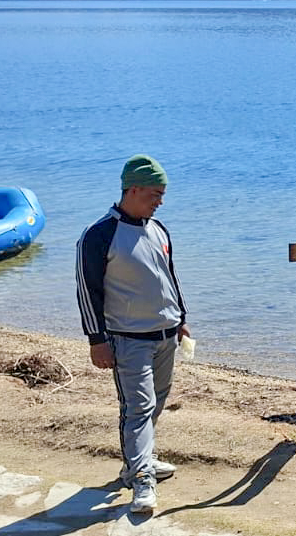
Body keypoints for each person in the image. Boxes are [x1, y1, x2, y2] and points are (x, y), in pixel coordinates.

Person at [76, 154, 190, 514]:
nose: (160, 200)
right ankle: (141, 478)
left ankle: (139, 460)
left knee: (154, 403)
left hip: (166, 335)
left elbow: (169, 277)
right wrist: (96, 340)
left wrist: (182, 318)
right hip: (128, 340)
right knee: (137, 407)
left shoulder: (159, 229)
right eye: (155, 193)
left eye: (162, 194)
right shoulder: (99, 235)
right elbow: (86, 290)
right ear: (133, 189)